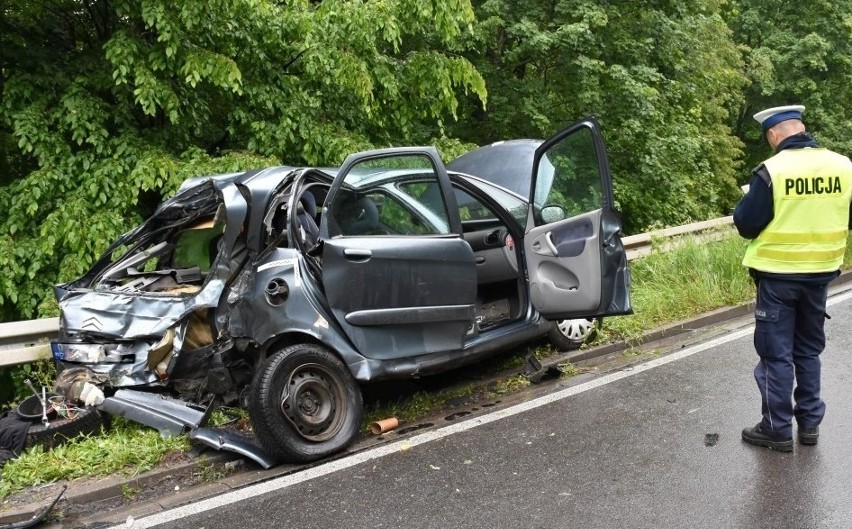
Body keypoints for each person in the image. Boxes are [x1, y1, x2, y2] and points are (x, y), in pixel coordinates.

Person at [734, 104, 852, 452]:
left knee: (776, 354)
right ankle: (810, 426)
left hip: (778, 280)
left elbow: (746, 224)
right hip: (820, 278)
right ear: (801, 127)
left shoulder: (772, 170)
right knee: (808, 351)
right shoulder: (843, 166)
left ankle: (777, 429)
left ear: (773, 135)